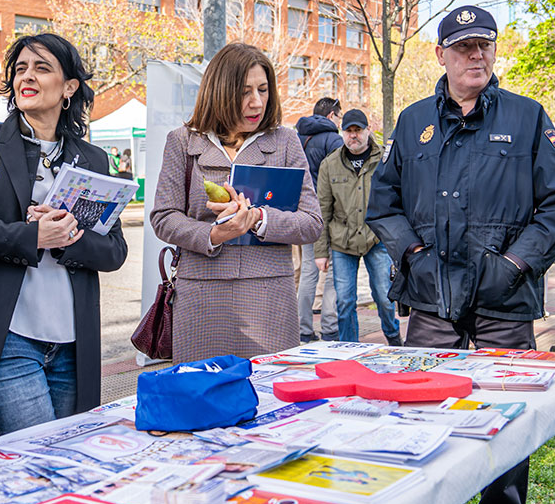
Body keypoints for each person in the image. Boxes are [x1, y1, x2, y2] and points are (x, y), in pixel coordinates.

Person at [366, 5, 555, 504]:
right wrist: (411, 254)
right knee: (421, 409)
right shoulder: (413, 122)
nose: (476, 54)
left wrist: (515, 264)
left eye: (484, 44)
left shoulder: (529, 116)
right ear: (440, 55)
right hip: (431, 298)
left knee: (504, 415)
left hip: (502, 299)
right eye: (463, 46)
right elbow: (382, 204)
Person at [0, 32, 128, 438]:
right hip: (7, 337)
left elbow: (114, 252)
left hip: (73, 343)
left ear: (69, 87)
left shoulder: (92, 159)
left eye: (42, 68)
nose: (28, 76)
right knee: (40, 451)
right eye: (20, 68)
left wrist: (69, 236)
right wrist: (32, 236)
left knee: (67, 454)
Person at [151, 42, 323, 363]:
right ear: (219, 91)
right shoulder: (183, 141)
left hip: (269, 296)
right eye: (244, 91)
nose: (256, 102)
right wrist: (214, 235)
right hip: (201, 296)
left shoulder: (285, 141)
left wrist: (258, 218)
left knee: (270, 396)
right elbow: (164, 217)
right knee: (202, 394)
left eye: (263, 89)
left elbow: (311, 223)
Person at [314, 109, 400, 344]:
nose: (354, 136)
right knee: (345, 301)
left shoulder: (384, 159)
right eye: (349, 131)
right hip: (343, 240)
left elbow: (399, 197)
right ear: (342, 133)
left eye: (358, 130)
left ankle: (393, 337)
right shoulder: (329, 164)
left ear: (368, 130)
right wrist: (321, 252)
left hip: (377, 238)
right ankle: (348, 347)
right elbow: (323, 210)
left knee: (384, 296)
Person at [295, 97, 344, 343]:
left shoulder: (296, 137)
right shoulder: (333, 140)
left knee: (308, 271)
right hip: (329, 213)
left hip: (302, 212)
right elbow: (341, 178)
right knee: (333, 272)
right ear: (332, 116)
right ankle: (330, 328)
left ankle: (303, 329)